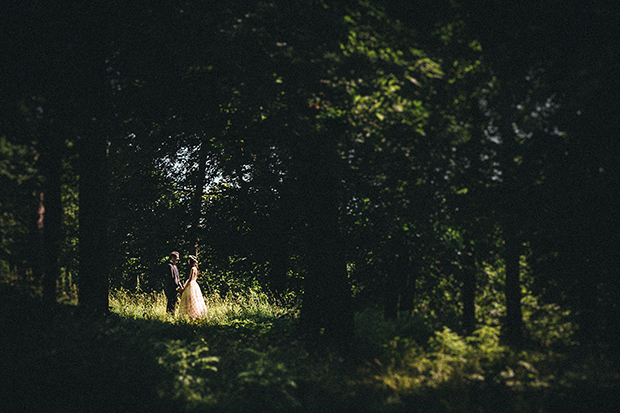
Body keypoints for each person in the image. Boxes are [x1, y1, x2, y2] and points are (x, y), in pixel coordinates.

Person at [178, 255, 207, 319]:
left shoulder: (192, 269)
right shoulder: (196, 268)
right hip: (195, 285)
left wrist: (184, 288)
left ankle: (191, 315)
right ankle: (194, 315)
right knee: (195, 300)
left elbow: (190, 279)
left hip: (191, 285)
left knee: (190, 300)